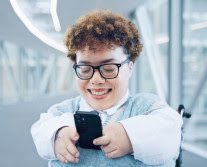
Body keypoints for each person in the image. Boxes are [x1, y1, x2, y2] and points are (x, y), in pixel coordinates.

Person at [31, 9, 182, 167]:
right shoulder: (63, 110)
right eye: (85, 69)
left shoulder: (146, 106)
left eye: (109, 68)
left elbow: (170, 134)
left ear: (130, 67)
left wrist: (130, 135)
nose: (96, 79)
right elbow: (41, 129)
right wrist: (57, 134)